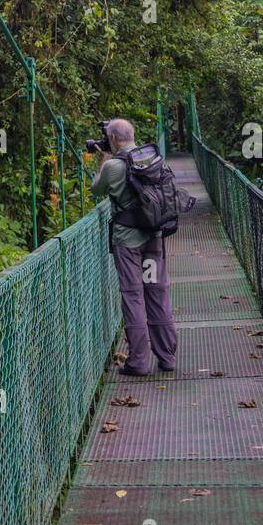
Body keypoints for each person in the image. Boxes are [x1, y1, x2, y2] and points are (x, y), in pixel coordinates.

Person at [91, 117, 178, 376]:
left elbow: (96, 190)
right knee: (157, 292)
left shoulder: (113, 166)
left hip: (127, 243)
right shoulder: (153, 160)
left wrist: (104, 158)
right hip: (153, 238)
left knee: (133, 295)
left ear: (114, 139)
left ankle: (138, 362)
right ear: (133, 135)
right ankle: (167, 357)